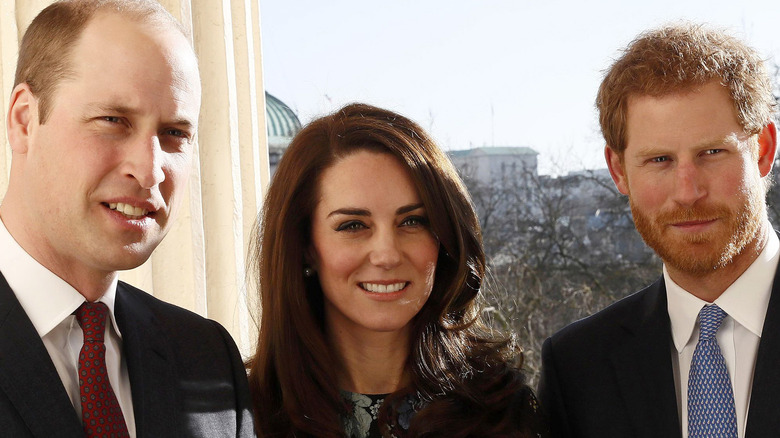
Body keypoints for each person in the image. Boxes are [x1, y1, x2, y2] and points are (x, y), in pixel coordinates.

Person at [0, 1, 254, 436]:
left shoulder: (207, 357)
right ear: (25, 120)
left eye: (174, 133)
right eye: (113, 120)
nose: (150, 169)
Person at [538, 23, 779, 438]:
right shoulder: (577, 367)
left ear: (763, 151)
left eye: (711, 152)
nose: (687, 192)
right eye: (660, 160)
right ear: (619, 171)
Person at [247, 103, 544, 437]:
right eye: (353, 225)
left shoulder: (503, 409)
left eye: (413, 221)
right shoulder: (240, 413)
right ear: (305, 246)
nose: (386, 255)